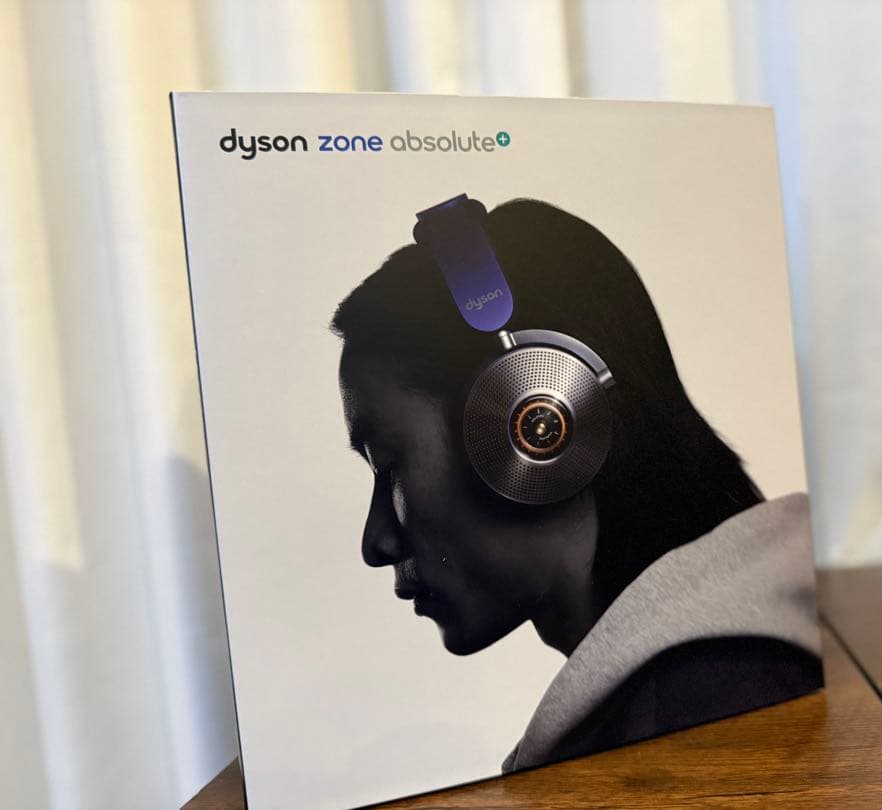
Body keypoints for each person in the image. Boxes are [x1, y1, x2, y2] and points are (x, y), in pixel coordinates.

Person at [330, 198, 823, 772]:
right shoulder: (721, 685)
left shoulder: (702, 719)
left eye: (389, 463)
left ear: (534, 425)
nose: (376, 543)